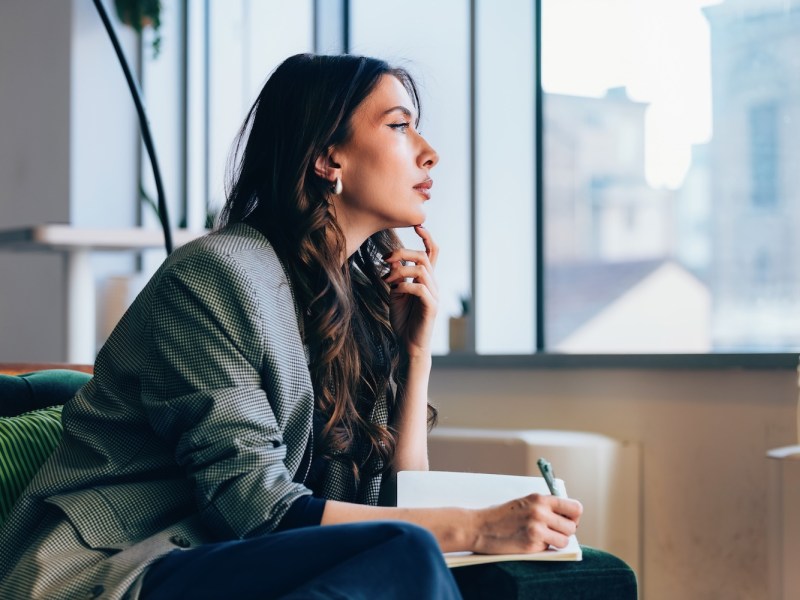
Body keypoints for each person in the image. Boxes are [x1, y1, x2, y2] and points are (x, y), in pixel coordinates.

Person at [0, 53, 583, 599]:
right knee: (405, 550)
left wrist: (414, 355)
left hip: (235, 558)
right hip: (120, 568)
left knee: (406, 551)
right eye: (401, 126)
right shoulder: (213, 277)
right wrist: (476, 527)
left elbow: (387, 500)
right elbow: (256, 509)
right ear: (329, 159)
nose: (429, 153)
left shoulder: (356, 297)